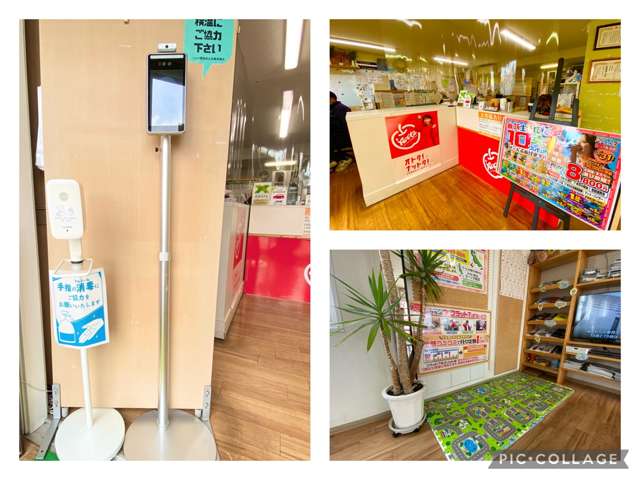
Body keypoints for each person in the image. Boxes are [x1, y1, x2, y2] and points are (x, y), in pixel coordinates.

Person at [330, 91, 354, 172]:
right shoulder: (334, 108)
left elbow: (342, 127)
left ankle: (340, 159)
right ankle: (334, 160)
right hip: (337, 136)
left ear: (332, 99)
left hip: (342, 137)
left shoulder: (341, 109)